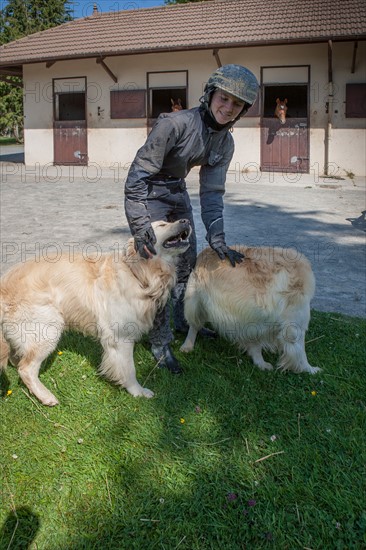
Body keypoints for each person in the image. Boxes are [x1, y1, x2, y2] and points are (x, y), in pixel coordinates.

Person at [124, 64, 259, 374]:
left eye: (236, 104)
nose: (227, 108)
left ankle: (185, 322)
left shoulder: (226, 142)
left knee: (187, 264)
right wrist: (140, 224)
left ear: (242, 110)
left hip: (176, 192)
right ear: (210, 94)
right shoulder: (173, 125)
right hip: (148, 193)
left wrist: (218, 236)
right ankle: (160, 341)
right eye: (223, 98)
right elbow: (136, 178)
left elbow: (212, 192)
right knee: (159, 272)